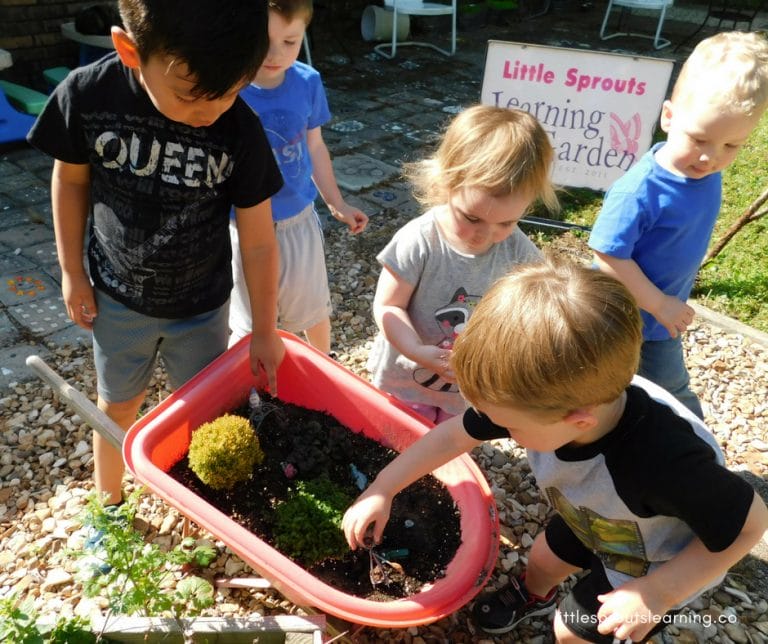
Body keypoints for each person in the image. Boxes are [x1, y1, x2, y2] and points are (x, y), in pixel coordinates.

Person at [343, 257, 768, 643]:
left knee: (571, 631)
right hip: (596, 517)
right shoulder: (542, 396)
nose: (498, 428)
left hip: (657, 559)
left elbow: (748, 526)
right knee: (543, 559)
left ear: (577, 421)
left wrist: (659, 593)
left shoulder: (663, 463)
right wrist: (384, 487)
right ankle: (533, 595)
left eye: (510, 426)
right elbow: (454, 436)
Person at [27, 0, 286, 507]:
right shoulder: (87, 95)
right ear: (130, 50)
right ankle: (109, 506)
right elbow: (71, 180)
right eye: (190, 96)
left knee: (205, 413)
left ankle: (201, 510)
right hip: (117, 302)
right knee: (117, 408)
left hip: (203, 308)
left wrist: (264, 329)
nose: (211, 112)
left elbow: (258, 241)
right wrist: (71, 271)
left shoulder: (240, 129)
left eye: (232, 92)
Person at [588, 31, 768, 419]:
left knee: (626, 392)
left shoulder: (703, 174)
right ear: (668, 117)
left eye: (731, 145)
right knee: (665, 395)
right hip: (622, 318)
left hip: (653, 319)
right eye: (700, 139)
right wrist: (660, 304)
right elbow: (606, 254)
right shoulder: (640, 190)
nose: (710, 157)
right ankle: (694, 448)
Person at [366, 105, 558, 424]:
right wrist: (416, 350)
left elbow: (532, 313)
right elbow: (388, 305)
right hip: (408, 379)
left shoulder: (518, 251)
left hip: (469, 390)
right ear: (446, 184)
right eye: (471, 217)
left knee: (453, 443)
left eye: (506, 222)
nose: (485, 235)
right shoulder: (420, 240)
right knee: (402, 436)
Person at [228, 0, 368, 354]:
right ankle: (249, 374)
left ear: (304, 33)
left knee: (312, 306)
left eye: (289, 42)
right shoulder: (227, 86)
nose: (275, 54)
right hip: (241, 223)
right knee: (249, 319)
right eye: (263, 40)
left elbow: (315, 146)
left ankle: (324, 364)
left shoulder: (308, 81)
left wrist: (336, 202)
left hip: (297, 220)